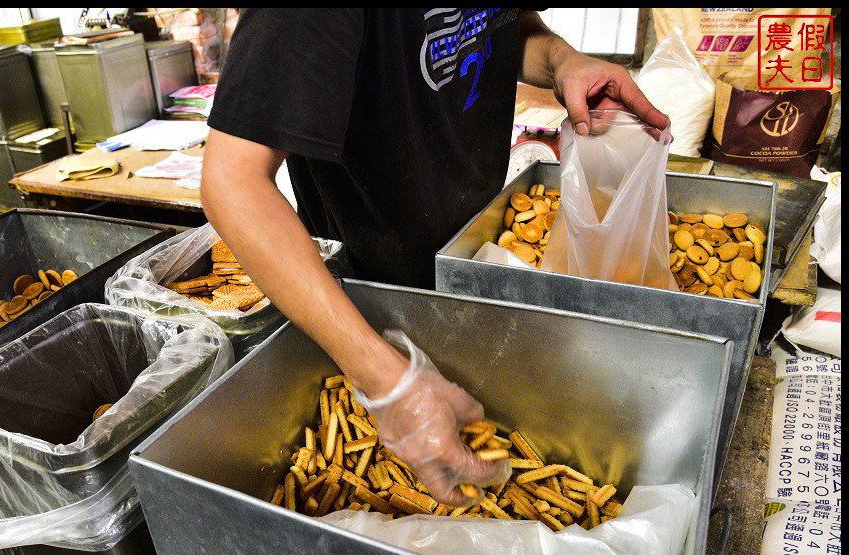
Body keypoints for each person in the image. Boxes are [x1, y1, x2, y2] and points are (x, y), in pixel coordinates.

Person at [201, 9, 667, 504]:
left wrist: (561, 61)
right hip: (368, 305)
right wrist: (389, 386)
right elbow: (233, 183)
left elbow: (498, 27)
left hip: (476, 258)